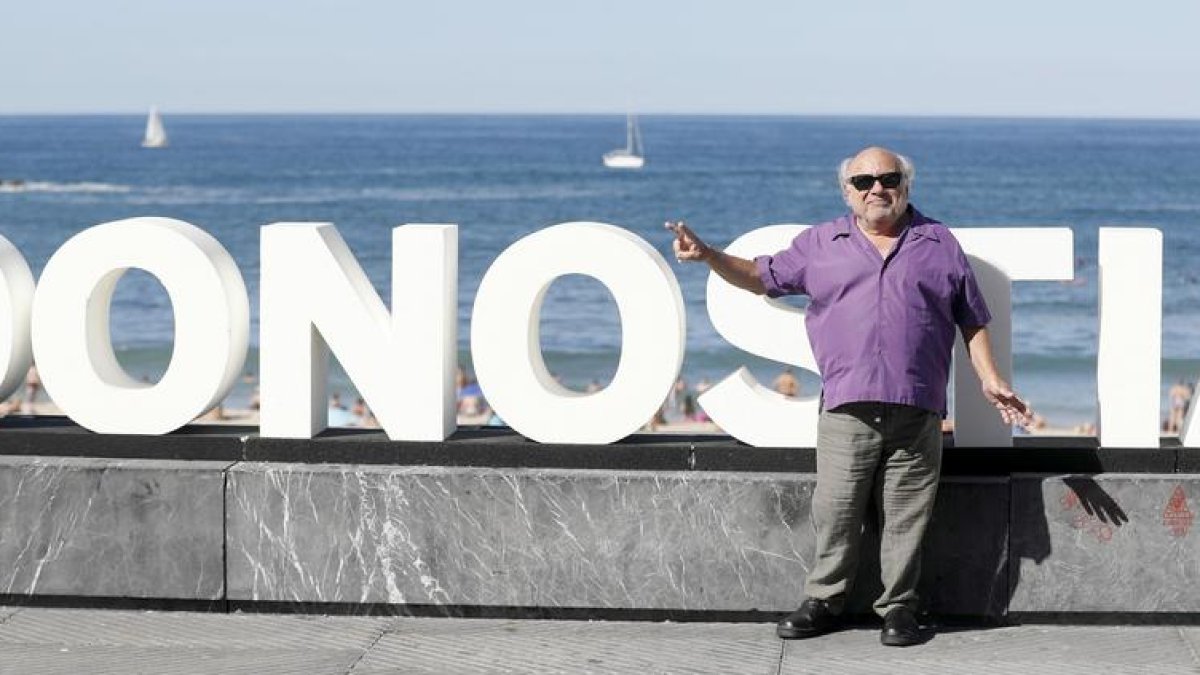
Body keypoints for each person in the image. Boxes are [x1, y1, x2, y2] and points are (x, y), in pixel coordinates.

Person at [669, 146, 1029, 647]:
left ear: (906, 185)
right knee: (836, 511)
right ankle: (824, 601)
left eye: (888, 178)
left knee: (907, 517)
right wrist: (708, 254)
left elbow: (972, 318)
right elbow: (759, 276)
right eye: (863, 182)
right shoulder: (821, 243)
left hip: (917, 406)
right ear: (848, 192)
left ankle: (900, 608)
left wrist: (989, 377)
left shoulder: (939, 243)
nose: (876, 188)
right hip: (846, 408)